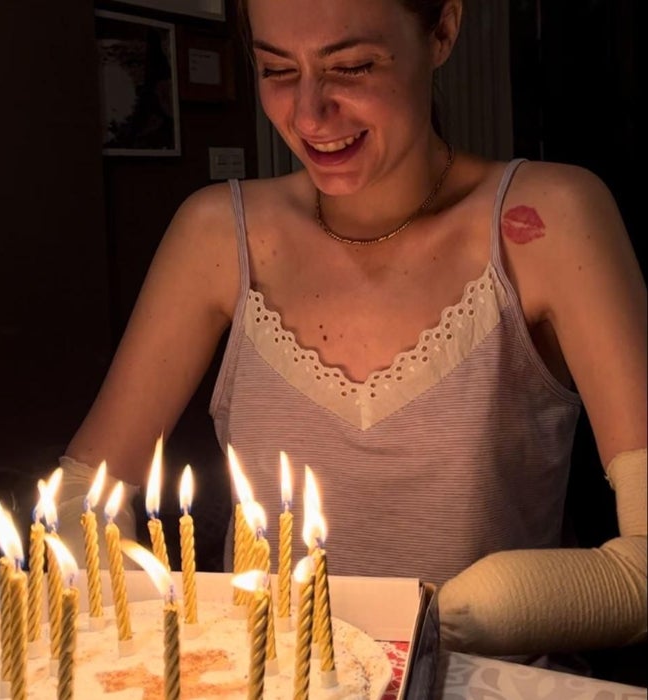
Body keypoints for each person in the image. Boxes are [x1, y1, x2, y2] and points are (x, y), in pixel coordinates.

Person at [59, 0, 646, 665]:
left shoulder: (547, 221)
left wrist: (449, 619)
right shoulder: (217, 235)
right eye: (277, 70)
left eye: (353, 66)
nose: (309, 114)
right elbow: (87, 493)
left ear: (444, 28)